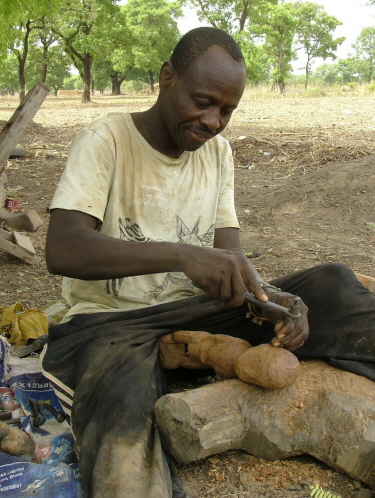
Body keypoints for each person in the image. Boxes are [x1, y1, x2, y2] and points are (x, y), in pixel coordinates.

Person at [41, 27, 375, 498]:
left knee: (334, 283)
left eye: (227, 111)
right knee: (121, 409)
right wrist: (182, 253)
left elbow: (229, 258)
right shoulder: (107, 139)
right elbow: (64, 248)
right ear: (166, 78)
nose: (213, 121)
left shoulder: (217, 153)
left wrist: (271, 300)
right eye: (202, 102)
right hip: (112, 325)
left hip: (196, 314)